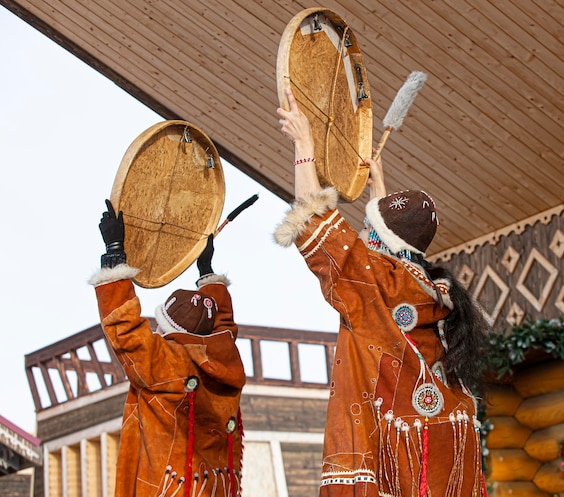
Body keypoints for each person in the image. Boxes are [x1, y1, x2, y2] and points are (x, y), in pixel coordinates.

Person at [275, 87, 489, 497]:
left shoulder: (379, 288)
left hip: (393, 460)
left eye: (370, 229)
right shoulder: (430, 291)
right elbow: (386, 250)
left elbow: (315, 223)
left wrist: (304, 146)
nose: (362, 236)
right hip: (439, 448)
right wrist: (380, 188)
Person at [89, 199, 246, 497]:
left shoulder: (166, 363)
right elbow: (223, 326)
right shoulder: (226, 358)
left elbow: (125, 330)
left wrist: (114, 254)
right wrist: (206, 269)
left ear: (169, 329)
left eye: (161, 326)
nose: (156, 332)